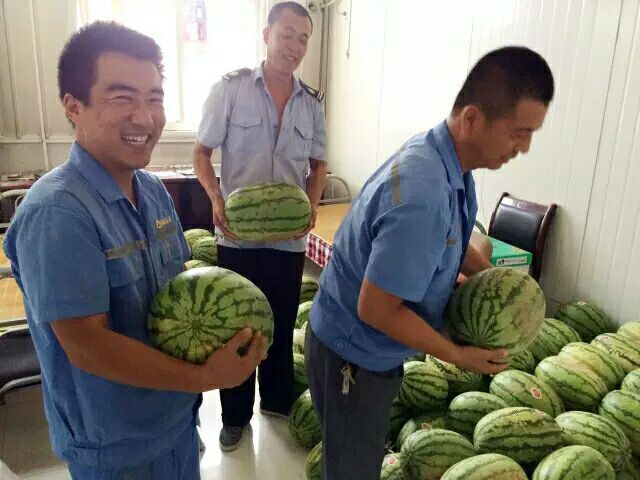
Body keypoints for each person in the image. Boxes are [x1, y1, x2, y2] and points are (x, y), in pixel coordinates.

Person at [3, 21, 266, 480]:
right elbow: (88, 347)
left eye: (154, 98)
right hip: (116, 447)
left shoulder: (153, 190)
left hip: (174, 421)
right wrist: (206, 378)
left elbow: (179, 290)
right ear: (73, 106)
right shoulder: (57, 212)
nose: (145, 118)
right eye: (122, 97)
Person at [306, 46, 555, 479]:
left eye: (532, 134)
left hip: (364, 349)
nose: (525, 147)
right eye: (518, 133)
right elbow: (377, 309)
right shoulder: (424, 196)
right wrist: (457, 355)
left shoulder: (445, 161)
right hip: (353, 356)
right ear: (472, 119)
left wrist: (496, 280)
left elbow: (450, 242)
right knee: (351, 470)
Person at [192, 1, 327, 451]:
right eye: (287, 34)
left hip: (288, 240)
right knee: (238, 326)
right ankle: (234, 417)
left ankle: (277, 402)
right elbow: (201, 152)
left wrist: (311, 204)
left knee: (281, 323)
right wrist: (215, 198)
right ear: (267, 34)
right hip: (238, 236)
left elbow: (319, 162)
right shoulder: (230, 89)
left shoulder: (311, 103)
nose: (295, 46)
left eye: (303, 39)